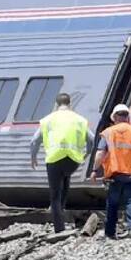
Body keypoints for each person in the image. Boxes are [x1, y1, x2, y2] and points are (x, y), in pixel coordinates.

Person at [30, 93, 93, 233]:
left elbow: (34, 141)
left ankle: (59, 228)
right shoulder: (80, 120)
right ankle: (62, 212)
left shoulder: (48, 120)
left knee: (55, 195)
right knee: (65, 181)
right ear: (70, 104)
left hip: (54, 159)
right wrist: (86, 153)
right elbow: (91, 139)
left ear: (57, 104)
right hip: (73, 160)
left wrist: (33, 157)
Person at [93, 103, 131, 239]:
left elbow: (100, 153)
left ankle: (110, 232)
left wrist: (95, 170)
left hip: (115, 173)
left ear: (114, 117)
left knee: (113, 202)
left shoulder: (108, 132)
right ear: (128, 117)